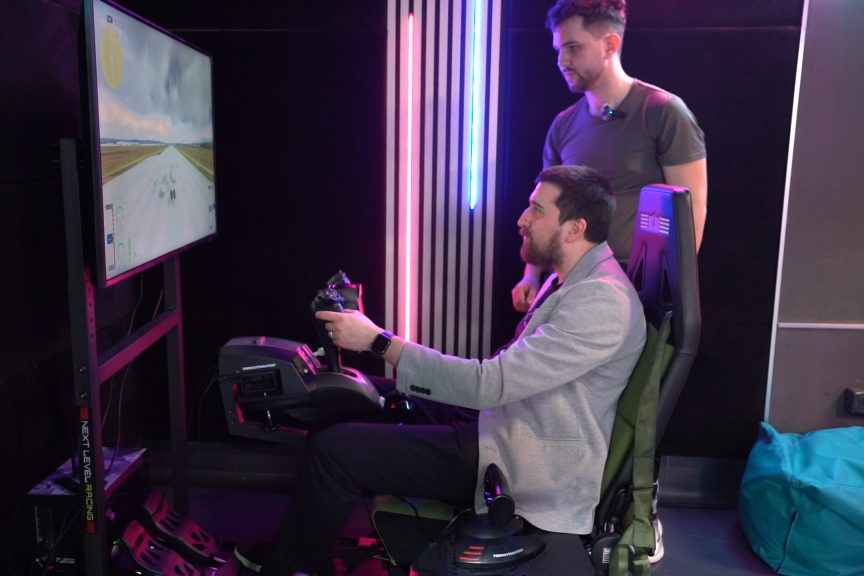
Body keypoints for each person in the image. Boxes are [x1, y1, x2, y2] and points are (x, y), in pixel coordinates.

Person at [235, 165, 647, 576]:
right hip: (499, 421)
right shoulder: (572, 279)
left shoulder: (601, 301)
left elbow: (492, 383)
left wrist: (379, 341)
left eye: (536, 210)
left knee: (335, 452)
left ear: (575, 228)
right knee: (347, 394)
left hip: (520, 457)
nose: (522, 219)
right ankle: (298, 549)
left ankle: (292, 567)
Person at [512, 0, 707, 313]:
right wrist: (531, 275)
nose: (562, 61)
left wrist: (671, 293)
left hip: (638, 289)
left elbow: (691, 208)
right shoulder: (563, 125)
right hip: (572, 284)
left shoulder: (663, 112)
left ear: (610, 45)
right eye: (559, 50)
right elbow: (543, 207)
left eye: (573, 47)